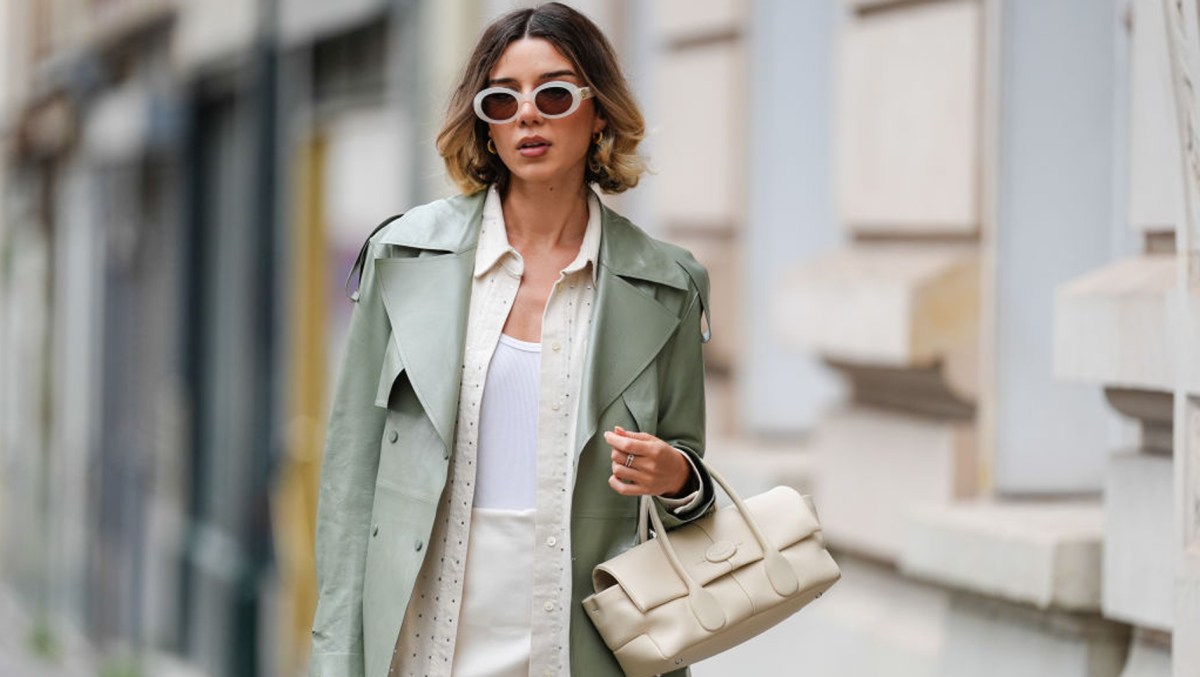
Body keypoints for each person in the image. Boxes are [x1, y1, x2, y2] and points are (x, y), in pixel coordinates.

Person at [310, 4, 714, 676]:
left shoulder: (667, 286)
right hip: (427, 644)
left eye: (554, 94)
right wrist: (335, 660)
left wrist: (676, 476)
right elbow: (351, 481)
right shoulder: (404, 258)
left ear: (600, 114)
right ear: (485, 127)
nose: (528, 114)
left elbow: (689, 493)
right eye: (502, 100)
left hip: (589, 645)